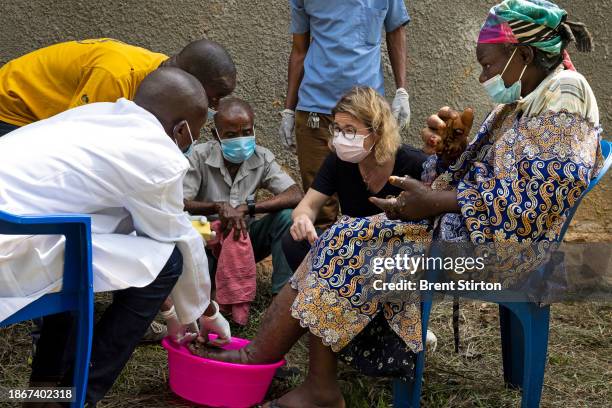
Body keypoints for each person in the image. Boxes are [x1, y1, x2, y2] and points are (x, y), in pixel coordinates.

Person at [193, 1, 602, 406]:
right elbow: (496, 179)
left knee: (347, 241)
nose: (483, 76)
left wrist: (434, 201)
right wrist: (448, 157)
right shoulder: (530, 97)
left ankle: (295, 376)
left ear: (525, 55)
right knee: (342, 237)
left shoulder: (564, 100)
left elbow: (533, 201)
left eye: (489, 65)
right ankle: (284, 369)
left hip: (500, 255)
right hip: (475, 235)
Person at [0, 67, 231, 406]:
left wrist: (175, 313)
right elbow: (174, 237)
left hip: (20, 225)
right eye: (195, 135)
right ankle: (74, 397)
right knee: (167, 262)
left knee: (80, 261)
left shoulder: (100, 114)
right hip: (13, 243)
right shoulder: (157, 153)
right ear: (181, 130)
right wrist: (206, 312)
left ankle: (44, 391)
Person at [278, 0, 412, 228]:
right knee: (319, 212)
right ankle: (322, 260)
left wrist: (402, 90)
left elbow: (395, 32)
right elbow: (299, 50)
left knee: (370, 200)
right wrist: (289, 109)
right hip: (315, 111)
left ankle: (367, 258)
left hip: (367, 113)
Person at [283, 86, 427, 271]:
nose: (341, 138)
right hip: (354, 248)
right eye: (337, 129)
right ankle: (323, 294)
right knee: (295, 241)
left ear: (377, 132)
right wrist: (302, 219)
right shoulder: (339, 161)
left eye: (350, 130)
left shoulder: (413, 162)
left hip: (398, 254)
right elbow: (308, 205)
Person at [183, 97, 303, 296]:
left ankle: (283, 296)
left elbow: (295, 194)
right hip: (206, 239)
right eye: (231, 134)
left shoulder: (261, 156)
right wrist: (217, 208)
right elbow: (180, 203)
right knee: (204, 285)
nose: (241, 139)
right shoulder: (198, 156)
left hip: (243, 239)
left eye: (246, 132)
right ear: (216, 135)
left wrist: (249, 208)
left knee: (288, 217)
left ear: (254, 130)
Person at [0, 37, 236, 136]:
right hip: (13, 108)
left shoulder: (165, 76)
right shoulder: (117, 75)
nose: (215, 104)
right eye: (216, 95)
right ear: (191, 79)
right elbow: (75, 137)